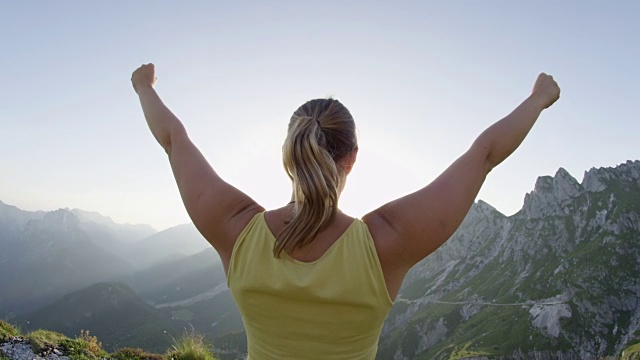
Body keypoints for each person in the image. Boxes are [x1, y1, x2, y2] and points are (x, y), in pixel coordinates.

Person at [131, 64, 560, 359]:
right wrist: (538, 99)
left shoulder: (236, 229)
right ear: (352, 158)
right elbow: (483, 154)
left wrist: (145, 88)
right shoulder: (384, 244)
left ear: (288, 154)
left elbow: (173, 138)